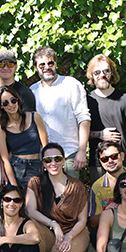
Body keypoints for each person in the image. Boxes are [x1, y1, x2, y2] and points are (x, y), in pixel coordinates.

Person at [25, 143, 89, 252]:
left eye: (57, 159)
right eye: (48, 160)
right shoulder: (35, 183)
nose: (53, 163)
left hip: (75, 231)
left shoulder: (77, 186)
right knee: (31, 224)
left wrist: (69, 236)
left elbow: (83, 220)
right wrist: (53, 224)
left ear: (64, 160)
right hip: (50, 232)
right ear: (43, 163)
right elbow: (30, 211)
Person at [29, 47, 90, 178]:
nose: (47, 67)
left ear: (56, 64)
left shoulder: (71, 84)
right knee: (47, 197)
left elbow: (84, 118)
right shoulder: (32, 91)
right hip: (43, 158)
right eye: (42, 65)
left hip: (69, 154)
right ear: (35, 67)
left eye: (50, 63)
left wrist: (82, 150)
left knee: (72, 195)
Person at [86, 54, 126, 176]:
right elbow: (79, 133)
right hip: (98, 163)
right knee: (101, 195)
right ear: (92, 76)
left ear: (112, 73)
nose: (102, 75)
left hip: (125, 160)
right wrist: (100, 134)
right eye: (97, 72)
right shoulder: (86, 100)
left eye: (106, 71)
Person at [0, 84, 48, 189]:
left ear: (18, 100)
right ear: (1, 106)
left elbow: (46, 146)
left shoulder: (34, 117)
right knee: (19, 203)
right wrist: (14, 186)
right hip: (16, 169)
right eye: (6, 103)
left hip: (36, 166)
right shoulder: (1, 130)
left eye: (13, 100)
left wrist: (46, 167)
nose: (11, 105)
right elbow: (5, 160)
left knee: (37, 202)